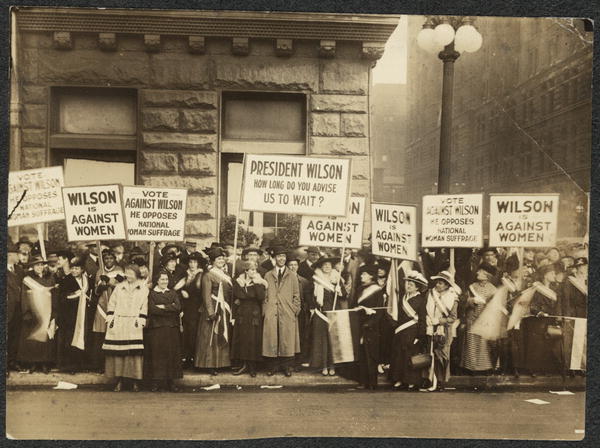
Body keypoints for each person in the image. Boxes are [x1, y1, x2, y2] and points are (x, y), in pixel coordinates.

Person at [103, 264, 149, 392]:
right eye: (127, 273)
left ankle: (135, 381)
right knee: (119, 353)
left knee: (133, 353)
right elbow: (112, 303)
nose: (128, 275)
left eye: (131, 273)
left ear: (136, 274)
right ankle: (119, 381)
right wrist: (110, 317)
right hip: (119, 321)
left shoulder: (143, 289)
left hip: (134, 322)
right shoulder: (119, 287)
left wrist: (141, 319)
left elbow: (144, 306)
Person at [263, 246, 301, 377]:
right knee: (272, 339)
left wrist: (294, 309)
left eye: (284, 256)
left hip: (287, 311)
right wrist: (266, 309)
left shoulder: (292, 275)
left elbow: (296, 295)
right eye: (279, 256)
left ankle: (287, 367)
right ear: (274, 258)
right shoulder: (268, 275)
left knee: (287, 339)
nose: (282, 259)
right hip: (272, 311)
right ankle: (272, 367)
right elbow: (265, 295)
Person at [194, 247, 233, 375]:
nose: (221, 260)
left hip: (224, 308)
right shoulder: (208, 275)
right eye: (218, 259)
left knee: (221, 334)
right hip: (212, 309)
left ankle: (222, 363)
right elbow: (206, 295)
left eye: (222, 258)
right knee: (210, 336)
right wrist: (211, 312)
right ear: (213, 261)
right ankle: (208, 364)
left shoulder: (226, 275)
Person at [388, 271, 428, 391]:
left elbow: (422, 318)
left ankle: (411, 381)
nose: (408, 286)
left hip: (412, 331)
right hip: (401, 331)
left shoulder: (420, 300)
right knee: (399, 356)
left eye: (411, 285)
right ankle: (399, 379)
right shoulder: (402, 298)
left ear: (417, 287)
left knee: (410, 357)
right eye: (407, 284)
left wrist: (420, 335)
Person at [17, 256, 57, 374]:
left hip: (47, 312)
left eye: (41, 265)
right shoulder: (27, 279)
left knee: (45, 338)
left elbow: (54, 296)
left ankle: (44, 363)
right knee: (33, 339)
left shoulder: (50, 278)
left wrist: (54, 312)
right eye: (37, 265)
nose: (39, 267)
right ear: (32, 267)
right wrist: (27, 312)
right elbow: (24, 297)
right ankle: (33, 363)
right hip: (33, 312)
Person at [144, 270, 183, 392]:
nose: (164, 282)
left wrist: (164, 307)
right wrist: (169, 308)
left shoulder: (172, 293)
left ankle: (171, 382)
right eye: (162, 279)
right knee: (157, 355)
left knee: (171, 354)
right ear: (157, 281)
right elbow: (152, 309)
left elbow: (177, 307)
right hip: (157, 328)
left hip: (171, 328)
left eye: (166, 279)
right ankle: (156, 382)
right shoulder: (152, 294)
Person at [308, 257, 346, 376]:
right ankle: (323, 365)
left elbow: (344, 296)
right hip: (320, 312)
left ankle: (332, 366)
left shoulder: (337, 279)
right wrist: (314, 306)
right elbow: (310, 296)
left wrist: (339, 291)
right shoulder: (315, 280)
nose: (327, 267)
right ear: (320, 267)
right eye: (324, 265)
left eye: (329, 265)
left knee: (332, 340)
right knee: (322, 340)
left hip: (334, 312)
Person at [522, 264, 562, 375]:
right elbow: (531, 303)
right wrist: (539, 312)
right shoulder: (536, 287)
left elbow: (557, 304)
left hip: (550, 319)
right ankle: (532, 369)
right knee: (536, 344)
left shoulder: (555, 288)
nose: (554, 275)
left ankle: (544, 369)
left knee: (547, 344)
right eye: (552, 273)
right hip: (537, 320)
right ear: (545, 275)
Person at [424, 270, 461, 391]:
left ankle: (440, 382)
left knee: (441, 356)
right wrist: (428, 319)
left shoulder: (453, 298)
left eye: (441, 283)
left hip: (444, 330)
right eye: (437, 282)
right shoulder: (430, 294)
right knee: (430, 354)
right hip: (429, 327)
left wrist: (439, 321)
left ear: (447, 285)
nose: (437, 285)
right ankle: (429, 380)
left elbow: (452, 318)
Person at [90, 250, 124, 373]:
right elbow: (95, 291)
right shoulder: (100, 271)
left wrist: (110, 282)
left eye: (111, 258)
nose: (109, 261)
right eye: (106, 259)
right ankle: (99, 365)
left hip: (116, 305)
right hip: (102, 305)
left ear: (114, 259)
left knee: (114, 336)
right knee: (100, 336)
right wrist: (101, 286)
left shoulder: (120, 269)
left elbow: (123, 287)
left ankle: (113, 365)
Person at [231, 260, 268, 377]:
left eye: (255, 270)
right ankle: (244, 365)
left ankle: (252, 367)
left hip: (254, 314)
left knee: (253, 340)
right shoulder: (239, 281)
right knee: (243, 339)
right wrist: (249, 293)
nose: (254, 272)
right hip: (242, 314)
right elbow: (238, 294)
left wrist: (255, 284)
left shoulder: (260, 282)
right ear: (246, 271)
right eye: (251, 270)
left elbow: (261, 296)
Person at [461, 263, 498, 374]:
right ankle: (471, 368)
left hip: (485, 321)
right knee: (471, 344)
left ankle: (484, 368)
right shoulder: (472, 287)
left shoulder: (493, 289)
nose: (477, 273)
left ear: (487, 275)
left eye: (480, 271)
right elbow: (463, 302)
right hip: (472, 319)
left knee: (483, 345)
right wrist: (471, 301)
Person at [57, 256, 91, 373]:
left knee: (83, 336)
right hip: (70, 315)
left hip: (83, 314)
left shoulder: (87, 280)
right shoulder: (66, 280)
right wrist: (74, 295)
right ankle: (70, 366)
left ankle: (81, 364)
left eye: (77, 268)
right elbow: (62, 298)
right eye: (73, 268)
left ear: (82, 269)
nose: (74, 271)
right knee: (70, 338)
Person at [355, 264, 385, 390]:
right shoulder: (359, 289)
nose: (362, 276)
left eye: (364, 274)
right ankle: (363, 381)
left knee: (371, 354)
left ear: (371, 276)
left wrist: (370, 323)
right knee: (361, 354)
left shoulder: (377, 290)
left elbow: (380, 311)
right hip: (359, 324)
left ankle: (373, 382)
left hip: (371, 326)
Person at [180, 252, 204, 368]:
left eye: (194, 262)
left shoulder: (201, 274)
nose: (192, 264)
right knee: (186, 332)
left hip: (196, 306)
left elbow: (201, 291)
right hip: (186, 306)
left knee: (194, 332)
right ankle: (187, 357)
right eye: (190, 262)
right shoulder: (186, 274)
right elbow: (178, 287)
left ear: (198, 263)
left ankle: (194, 358)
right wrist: (181, 292)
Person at [287, 257, 312, 366]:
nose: (293, 267)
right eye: (291, 265)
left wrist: (303, 308)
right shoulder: (284, 280)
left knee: (300, 336)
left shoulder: (304, 281)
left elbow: (307, 299)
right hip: (287, 312)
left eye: (295, 265)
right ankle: (289, 360)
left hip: (300, 313)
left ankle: (298, 361)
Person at [7, 243, 23, 372]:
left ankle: (12, 361)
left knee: (15, 336)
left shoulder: (19, 270)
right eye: (17, 254)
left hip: (18, 309)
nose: (19, 256)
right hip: (6, 309)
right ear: (10, 255)